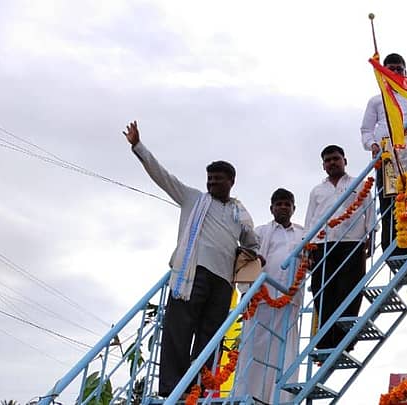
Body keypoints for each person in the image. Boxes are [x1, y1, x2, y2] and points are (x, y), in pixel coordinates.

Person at [122, 121, 260, 396]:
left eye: (217, 179)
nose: (212, 183)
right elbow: (162, 176)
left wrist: (252, 257)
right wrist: (138, 146)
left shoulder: (239, 213)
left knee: (211, 335)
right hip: (192, 274)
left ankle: (200, 386)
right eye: (209, 178)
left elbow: (251, 243)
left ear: (231, 182)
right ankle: (172, 386)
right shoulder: (193, 198)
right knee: (179, 329)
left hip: (223, 281)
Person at [233, 188, 305, 403]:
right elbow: (246, 259)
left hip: (289, 302)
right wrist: (246, 292)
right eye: (278, 204)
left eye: (287, 204)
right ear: (271, 208)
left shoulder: (302, 233)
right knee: (253, 350)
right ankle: (247, 398)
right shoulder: (260, 232)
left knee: (285, 353)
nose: (283, 207)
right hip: (261, 301)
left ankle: (280, 400)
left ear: (293, 208)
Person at [360, 53, 407, 256]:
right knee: (389, 205)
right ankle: (392, 252)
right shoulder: (377, 100)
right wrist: (373, 145)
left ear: (405, 72)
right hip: (387, 159)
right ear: (384, 72)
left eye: (399, 69)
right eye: (391, 69)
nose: (395, 72)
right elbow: (366, 130)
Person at [305, 145, 373, 352]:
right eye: (328, 160)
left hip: (352, 242)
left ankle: (345, 340)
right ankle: (326, 340)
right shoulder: (317, 190)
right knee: (322, 291)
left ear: (345, 161)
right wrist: (307, 247)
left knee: (349, 290)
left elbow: (369, 210)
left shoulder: (359, 183)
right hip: (322, 244)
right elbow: (310, 220)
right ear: (323, 166)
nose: (332, 163)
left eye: (336, 158)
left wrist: (371, 235)